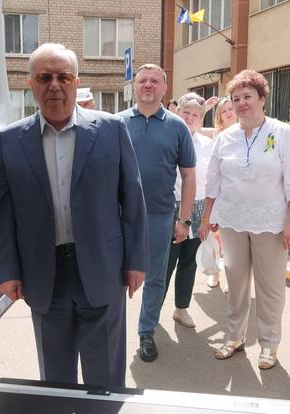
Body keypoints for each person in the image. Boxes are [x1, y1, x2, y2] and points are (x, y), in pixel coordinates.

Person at [0, 43, 148, 386]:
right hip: (43, 274)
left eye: (63, 77)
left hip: (103, 266)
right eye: (44, 77)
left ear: (76, 82)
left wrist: (136, 261)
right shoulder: (10, 140)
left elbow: (132, 198)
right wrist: (7, 270)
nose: (54, 85)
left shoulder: (112, 130)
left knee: (105, 378)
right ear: (30, 84)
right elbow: (2, 213)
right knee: (55, 379)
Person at [199, 69, 290, 370]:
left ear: (262, 99)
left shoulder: (281, 133)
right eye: (236, 99)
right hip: (232, 221)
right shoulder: (225, 138)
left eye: (248, 96)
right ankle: (234, 336)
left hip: (271, 223)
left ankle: (269, 343)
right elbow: (213, 181)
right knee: (236, 283)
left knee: (270, 286)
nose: (241, 103)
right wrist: (206, 218)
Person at [118, 64, 196, 362]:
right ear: (134, 86)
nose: (148, 85)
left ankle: (146, 331)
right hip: (118, 216)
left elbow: (188, 176)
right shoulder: (117, 123)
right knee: (113, 275)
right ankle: (110, 329)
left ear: (165, 88)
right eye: (143, 80)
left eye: (154, 81)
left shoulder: (177, 127)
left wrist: (184, 220)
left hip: (160, 216)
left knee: (155, 278)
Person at [163, 92, 215, 328]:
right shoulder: (165, 138)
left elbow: (212, 181)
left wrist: (207, 218)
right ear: (176, 111)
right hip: (170, 209)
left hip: (198, 209)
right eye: (186, 112)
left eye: (196, 115)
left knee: (188, 263)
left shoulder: (207, 144)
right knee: (165, 264)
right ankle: (152, 312)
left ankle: (181, 308)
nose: (190, 118)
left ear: (201, 119)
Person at [203, 96, 237, 290]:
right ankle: (215, 274)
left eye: (231, 109)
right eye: (224, 111)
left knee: (235, 242)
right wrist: (204, 108)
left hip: (237, 196)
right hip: (217, 195)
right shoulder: (216, 133)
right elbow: (192, 127)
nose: (228, 113)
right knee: (215, 238)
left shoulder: (249, 132)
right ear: (219, 116)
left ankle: (234, 280)